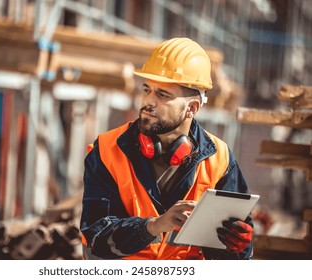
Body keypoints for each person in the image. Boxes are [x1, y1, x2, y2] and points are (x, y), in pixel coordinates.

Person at [80, 37, 254, 260]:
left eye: (162, 94)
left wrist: (237, 246)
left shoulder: (220, 161)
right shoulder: (106, 150)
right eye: (147, 89)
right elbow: (96, 239)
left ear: (192, 108)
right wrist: (153, 226)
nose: (148, 101)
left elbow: (234, 258)